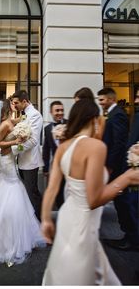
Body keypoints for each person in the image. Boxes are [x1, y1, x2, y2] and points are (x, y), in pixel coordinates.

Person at [41, 99, 139, 285]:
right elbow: (93, 199)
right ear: (94, 120)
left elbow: (51, 189)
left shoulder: (63, 147)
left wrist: (46, 219)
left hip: (67, 217)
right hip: (83, 224)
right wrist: (126, 178)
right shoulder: (96, 148)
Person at [0, 99, 45, 266]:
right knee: (13, 188)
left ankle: (3, 228)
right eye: (12, 104)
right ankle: (6, 236)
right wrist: (15, 142)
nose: (14, 105)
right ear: (7, 108)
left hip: (11, 159)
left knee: (10, 189)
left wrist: (26, 123)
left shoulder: (11, 121)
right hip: (6, 161)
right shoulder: (5, 124)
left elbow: (24, 120)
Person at [103, 87, 139, 251]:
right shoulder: (114, 114)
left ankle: (131, 238)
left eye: (102, 99)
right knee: (123, 204)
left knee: (126, 204)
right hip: (122, 167)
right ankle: (129, 235)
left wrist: (111, 165)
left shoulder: (118, 114)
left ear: (110, 99)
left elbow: (119, 143)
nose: (136, 101)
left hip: (121, 167)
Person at [12, 90, 44, 220]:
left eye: (17, 103)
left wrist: (13, 150)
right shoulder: (24, 114)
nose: (15, 106)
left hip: (30, 162)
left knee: (32, 193)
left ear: (25, 101)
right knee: (27, 192)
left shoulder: (35, 115)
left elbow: (33, 140)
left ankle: (41, 221)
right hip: (22, 161)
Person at [42, 101, 67, 208]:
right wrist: (46, 168)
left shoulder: (70, 124)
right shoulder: (47, 129)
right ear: (51, 112)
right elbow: (46, 149)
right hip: (56, 166)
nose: (60, 112)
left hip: (71, 165)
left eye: (62, 110)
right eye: (57, 110)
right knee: (58, 192)